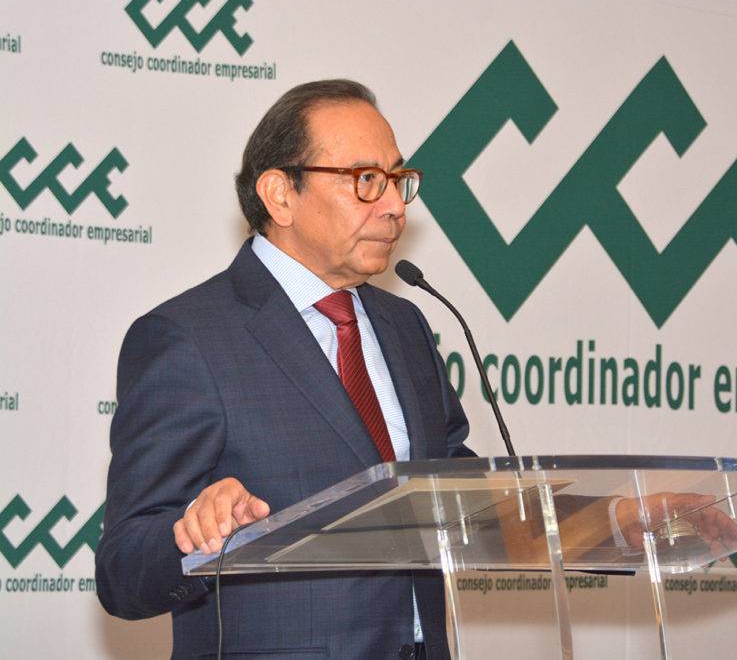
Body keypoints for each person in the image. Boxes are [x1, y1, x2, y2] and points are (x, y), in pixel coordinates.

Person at [96, 80, 471, 659]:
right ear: (280, 195)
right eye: (366, 179)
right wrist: (196, 531)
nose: (395, 206)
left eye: (398, 180)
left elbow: (454, 478)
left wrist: (587, 516)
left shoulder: (405, 324)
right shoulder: (187, 338)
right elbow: (124, 570)